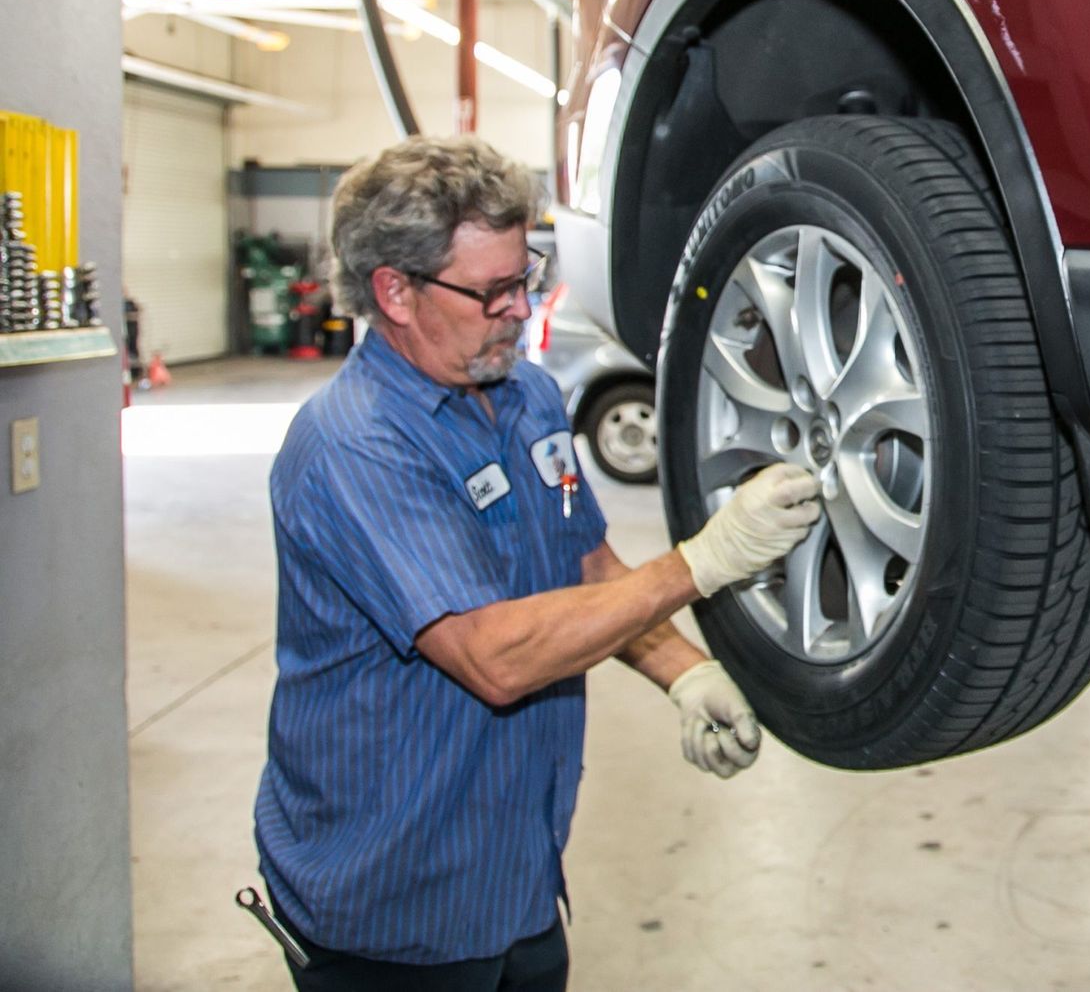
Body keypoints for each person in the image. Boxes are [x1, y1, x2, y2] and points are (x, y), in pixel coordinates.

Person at [253, 135, 820, 991]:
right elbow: (494, 656)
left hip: (516, 877)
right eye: (491, 292)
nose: (521, 310)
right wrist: (705, 562)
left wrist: (685, 671)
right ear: (394, 293)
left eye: (527, 276)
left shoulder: (525, 397)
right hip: (390, 909)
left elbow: (585, 564)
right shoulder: (351, 446)